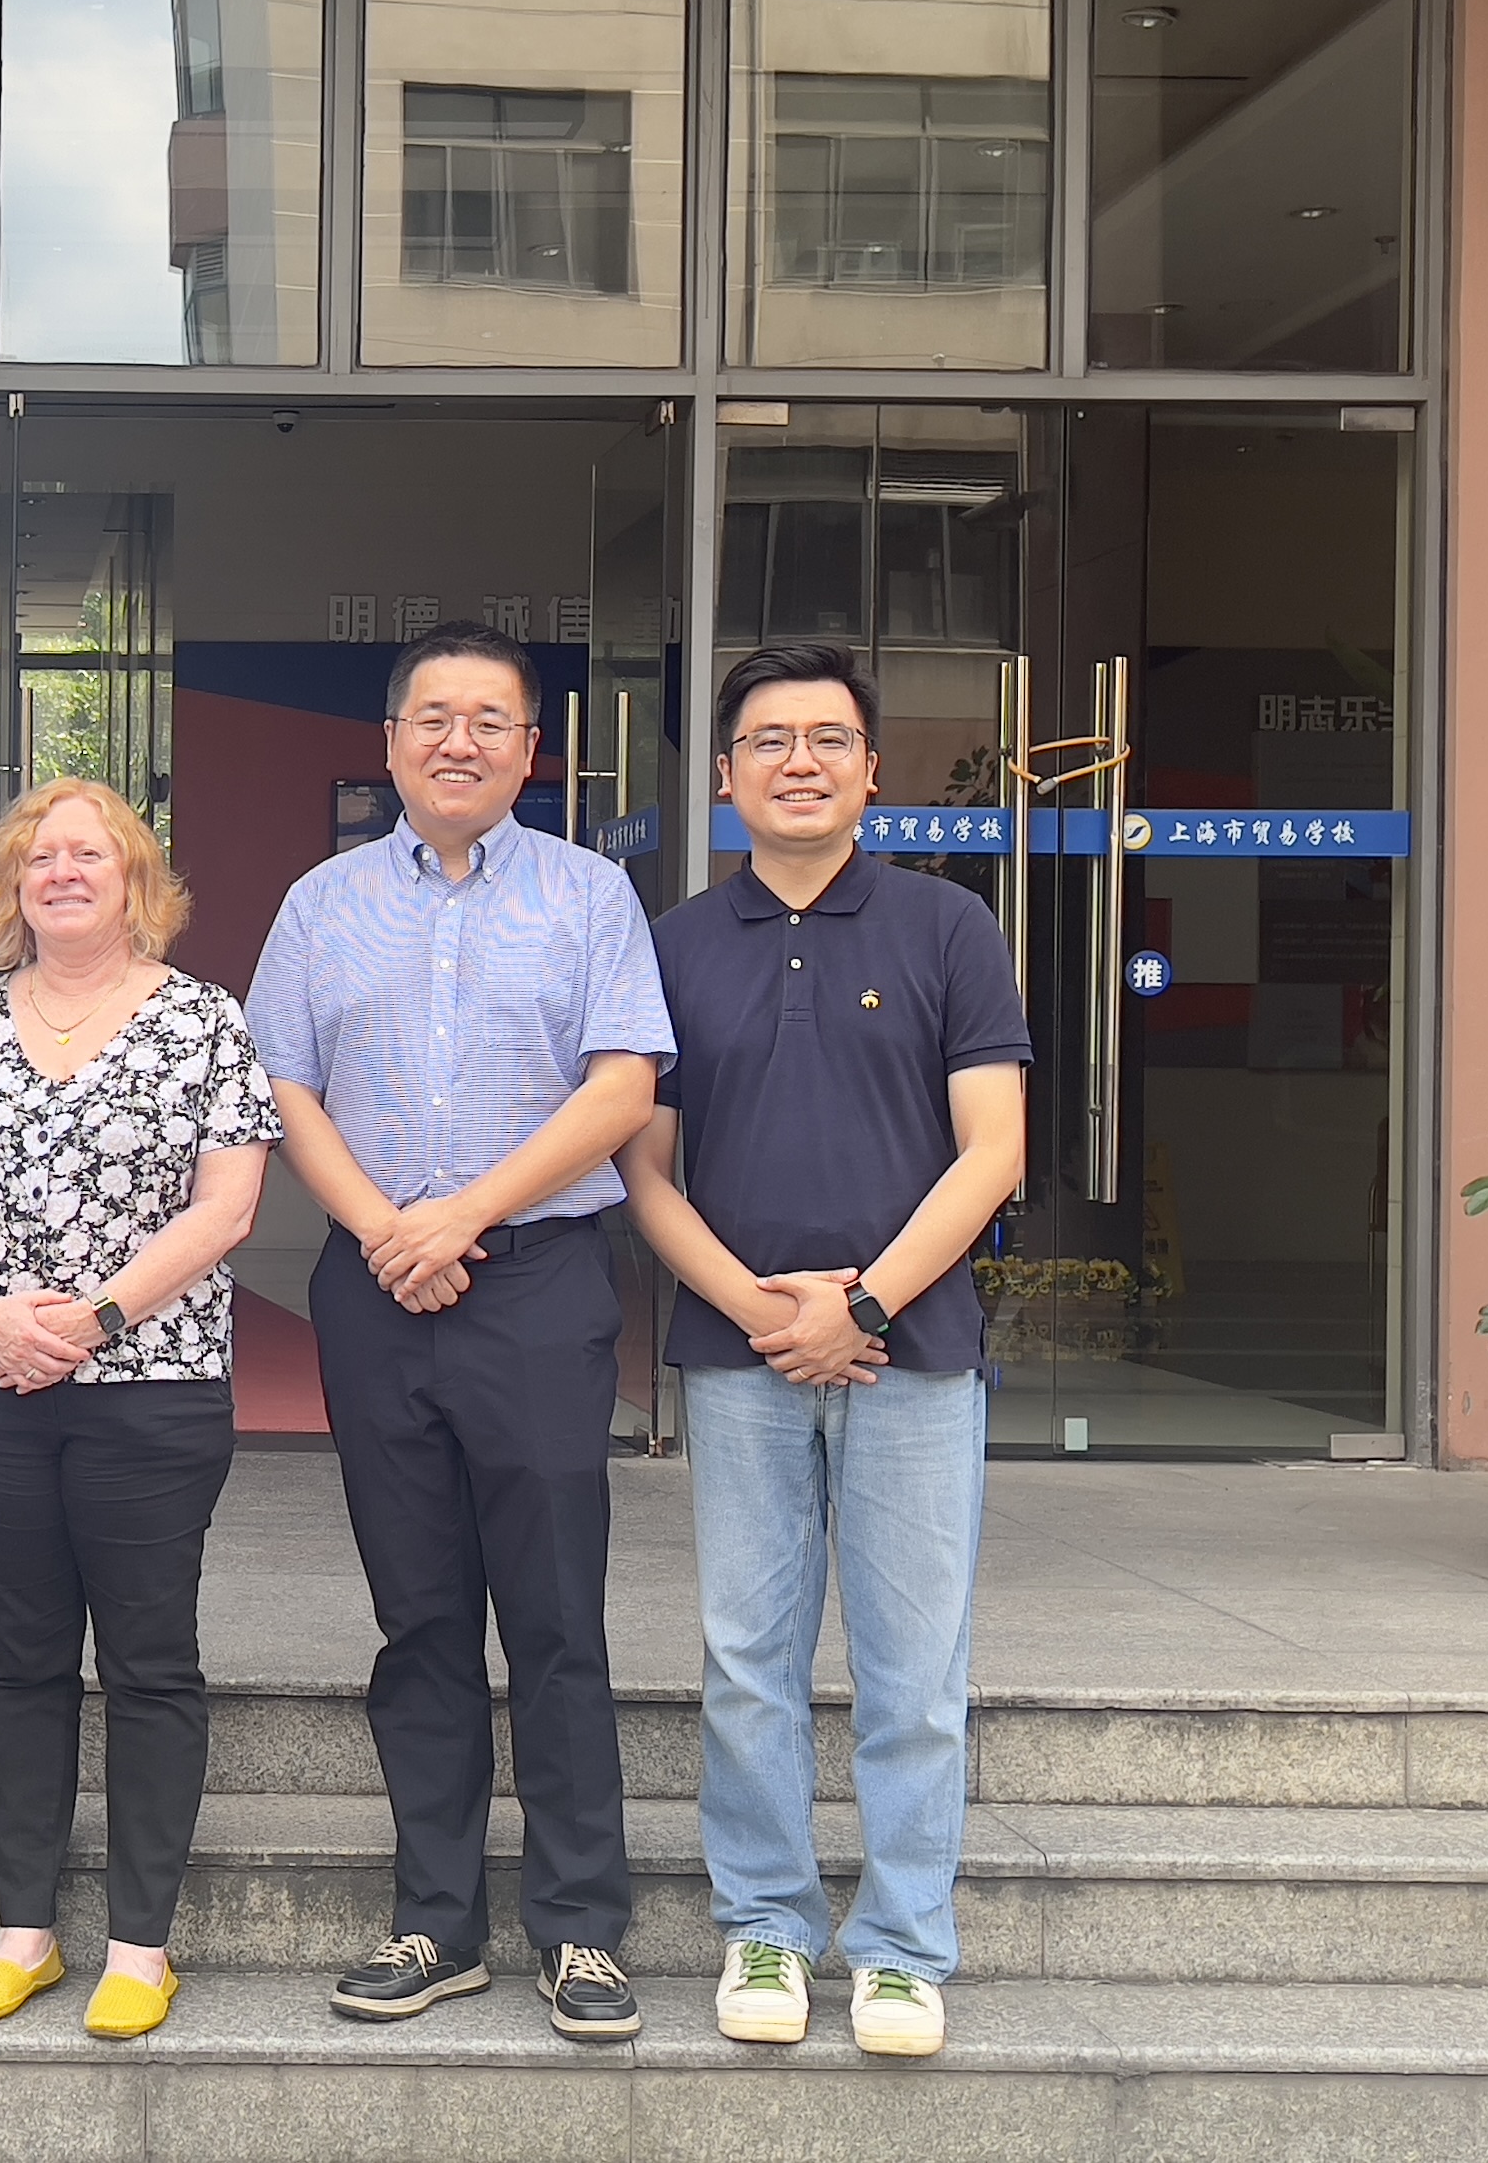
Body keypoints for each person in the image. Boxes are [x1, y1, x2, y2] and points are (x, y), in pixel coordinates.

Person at [245, 623, 669, 2044]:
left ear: (531, 750)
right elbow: (287, 1089)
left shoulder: (592, 894)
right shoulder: (321, 905)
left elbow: (622, 1089)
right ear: (390, 741)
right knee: (419, 1616)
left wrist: (461, 1217)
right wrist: (388, 1232)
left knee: (554, 1614)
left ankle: (582, 1928)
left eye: (492, 719)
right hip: (376, 1289)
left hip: (538, 1283)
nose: (459, 741)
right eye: (434, 716)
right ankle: (435, 1922)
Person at [622, 641, 1029, 2062]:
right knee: (749, 1658)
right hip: (740, 1358)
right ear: (725, 776)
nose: (800, 762)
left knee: (914, 1670)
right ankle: (768, 1927)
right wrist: (760, 1309)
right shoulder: (670, 944)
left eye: (829, 739)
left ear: (872, 769)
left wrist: (860, 1309)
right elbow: (644, 1167)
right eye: (770, 741)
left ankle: (905, 1947)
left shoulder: (949, 928)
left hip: (913, 1357)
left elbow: (993, 1151)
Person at [0, 778, 280, 2044]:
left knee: (150, 1660)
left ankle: (140, 1948)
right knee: (24, 1657)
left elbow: (228, 1205)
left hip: (153, 1385)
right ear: (13, 885)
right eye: (39, 856)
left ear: (134, 881)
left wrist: (94, 1319)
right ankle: (25, 1935)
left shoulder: (202, 1021)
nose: (62, 872)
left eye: (89, 854)